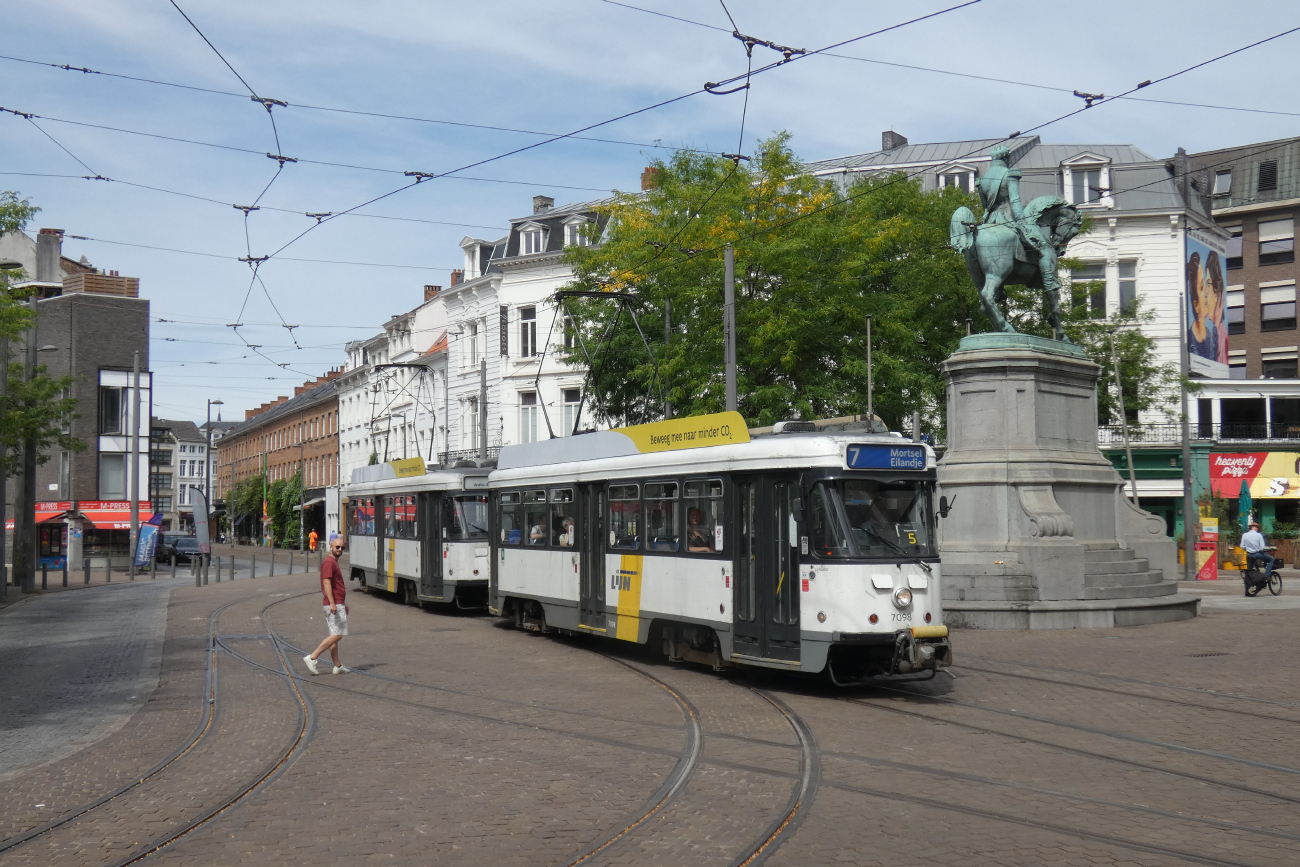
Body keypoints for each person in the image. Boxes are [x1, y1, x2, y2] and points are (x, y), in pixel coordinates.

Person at [304, 536, 348, 675]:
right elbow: (327, 583)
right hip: (333, 604)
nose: (340, 549)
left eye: (342, 547)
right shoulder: (329, 562)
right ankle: (312, 657)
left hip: (337, 602)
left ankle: (337, 666)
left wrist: (342, 603)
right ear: (331, 546)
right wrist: (333, 603)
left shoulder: (333, 562)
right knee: (338, 634)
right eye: (337, 547)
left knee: (333, 635)